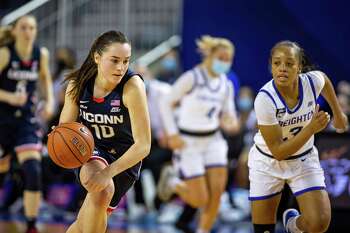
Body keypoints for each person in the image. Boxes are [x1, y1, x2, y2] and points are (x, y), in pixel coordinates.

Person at [249, 40, 348, 233]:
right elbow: (278, 152)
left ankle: (292, 225)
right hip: (268, 162)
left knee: (319, 223)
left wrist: (338, 114)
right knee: (264, 230)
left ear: (300, 67)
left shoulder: (312, 81)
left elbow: (324, 80)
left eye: (289, 63)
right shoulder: (265, 99)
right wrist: (310, 129)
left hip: (303, 159)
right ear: (271, 66)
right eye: (277, 63)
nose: (282, 68)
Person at [58, 30, 151, 233]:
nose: (121, 68)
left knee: (83, 225)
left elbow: (143, 145)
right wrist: (59, 138)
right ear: (97, 57)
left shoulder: (132, 86)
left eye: (126, 61)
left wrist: (108, 172)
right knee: (102, 190)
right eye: (114, 60)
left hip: (126, 159)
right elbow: (65, 127)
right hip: (92, 149)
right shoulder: (79, 84)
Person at [157, 35, 239, 233]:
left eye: (228, 59)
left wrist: (231, 122)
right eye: (221, 57)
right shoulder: (192, 77)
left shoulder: (225, 85)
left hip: (213, 141)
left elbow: (229, 114)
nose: (224, 63)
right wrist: (172, 133)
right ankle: (173, 183)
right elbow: (165, 103)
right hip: (188, 142)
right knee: (200, 198)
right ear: (209, 56)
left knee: (217, 194)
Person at [0, 15, 54, 233]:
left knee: (33, 169)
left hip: (25, 121)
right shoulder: (4, 54)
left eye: (32, 27)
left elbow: (45, 80)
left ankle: (31, 225)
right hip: (2, 121)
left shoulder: (40, 54)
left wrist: (49, 101)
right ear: (14, 31)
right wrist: (10, 97)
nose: (28, 32)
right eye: (23, 27)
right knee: (2, 169)